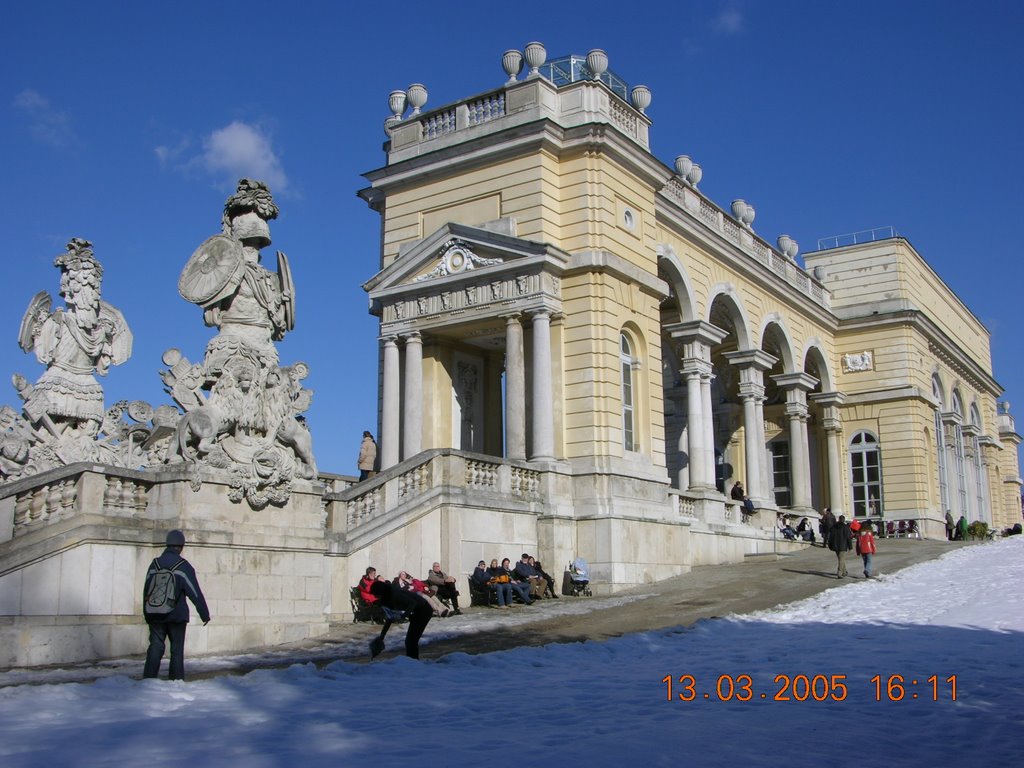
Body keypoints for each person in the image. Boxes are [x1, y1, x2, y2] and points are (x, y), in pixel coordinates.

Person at [142, 529, 211, 681]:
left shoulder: (155, 564)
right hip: (176, 615)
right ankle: (176, 681)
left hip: (154, 613)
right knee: (176, 650)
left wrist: (146, 613)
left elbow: (146, 590)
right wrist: (204, 614)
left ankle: (148, 679)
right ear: (180, 546)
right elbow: (195, 593)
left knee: (155, 647)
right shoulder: (183, 566)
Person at [368, 578, 433, 660]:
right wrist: (382, 637)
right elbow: (389, 618)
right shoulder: (386, 600)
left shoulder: (395, 595)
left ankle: (414, 663)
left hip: (424, 610)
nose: (375, 597)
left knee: (411, 640)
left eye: (376, 595)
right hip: (416, 612)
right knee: (410, 640)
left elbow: (412, 603)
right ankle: (412, 661)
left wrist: (405, 615)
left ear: (381, 592)